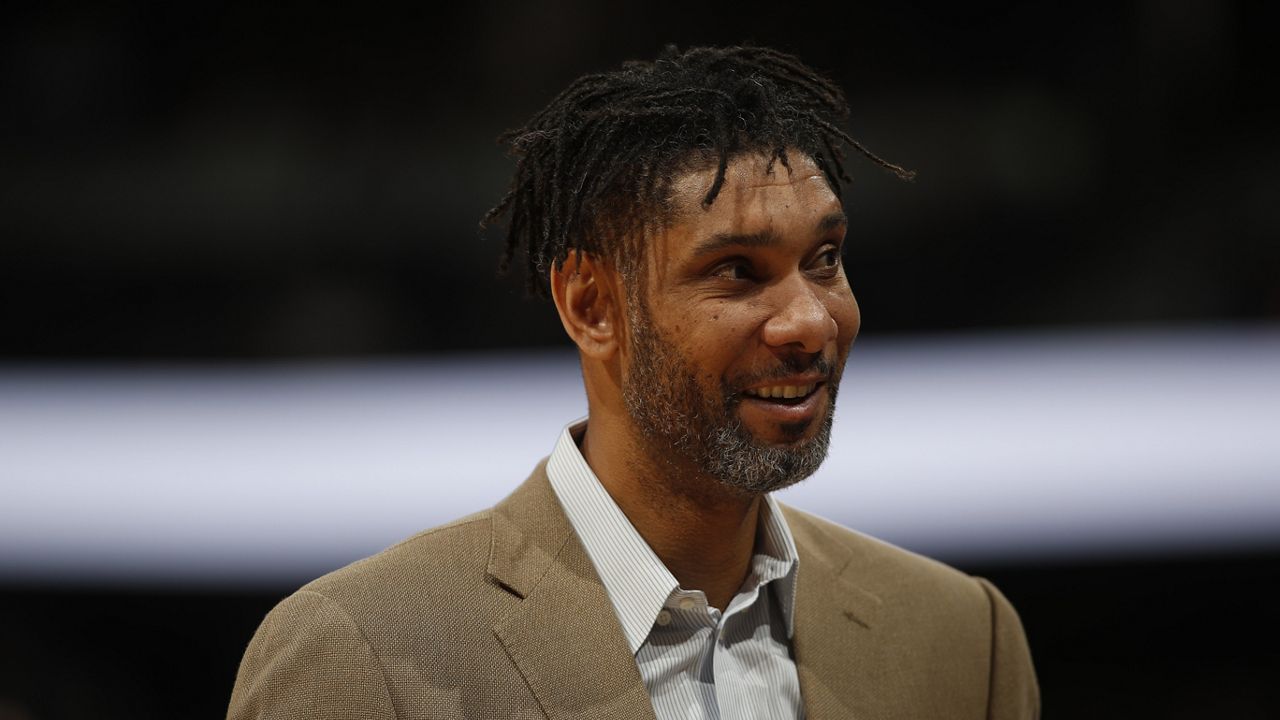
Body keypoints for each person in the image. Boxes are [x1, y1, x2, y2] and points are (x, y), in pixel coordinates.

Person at [227, 45, 1039, 719]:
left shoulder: (964, 641)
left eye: (823, 260)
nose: (811, 323)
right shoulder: (361, 657)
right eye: (736, 271)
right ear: (592, 305)